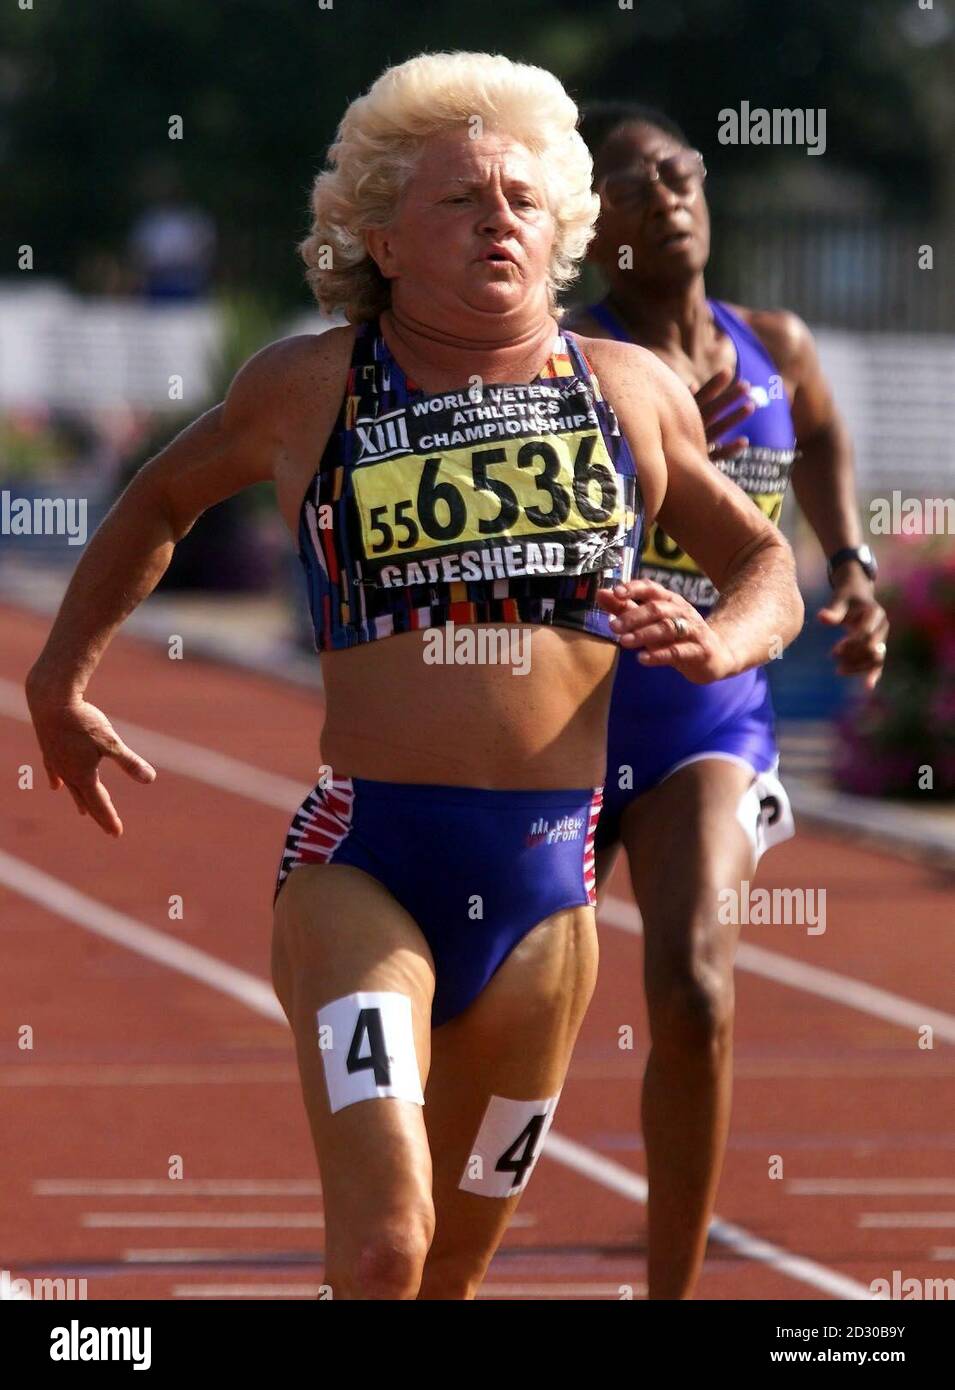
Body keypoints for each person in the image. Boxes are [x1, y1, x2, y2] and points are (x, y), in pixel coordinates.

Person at [24, 57, 803, 1301]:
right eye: (460, 201)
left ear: (560, 227)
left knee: (446, 1278)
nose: (500, 218)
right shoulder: (312, 385)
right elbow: (159, 499)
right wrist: (60, 680)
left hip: (550, 908)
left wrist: (728, 638)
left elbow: (765, 558)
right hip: (364, 869)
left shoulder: (629, 392)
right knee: (388, 1243)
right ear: (380, 237)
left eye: (523, 199)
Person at [563, 101, 888, 1299]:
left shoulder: (775, 342)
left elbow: (820, 437)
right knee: (509, 1007)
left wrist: (849, 567)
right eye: (633, 183)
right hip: (569, 712)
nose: (667, 194)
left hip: (708, 714)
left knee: (694, 986)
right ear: (595, 229)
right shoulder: (570, 359)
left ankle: (670, 1292)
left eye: (681, 171)